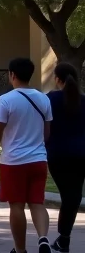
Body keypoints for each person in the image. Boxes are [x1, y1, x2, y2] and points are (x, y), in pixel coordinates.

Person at [0, 57, 54, 253]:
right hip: (38, 159)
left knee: (16, 206)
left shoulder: (6, 100)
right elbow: (47, 133)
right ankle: (43, 239)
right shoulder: (44, 98)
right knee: (37, 202)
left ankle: (20, 249)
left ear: (12, 74)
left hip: (14, 161)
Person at [48, 62, 85, 252]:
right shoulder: (83, 100)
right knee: (74, 195)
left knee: (68, 196)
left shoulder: (50, 99)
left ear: (57, 79)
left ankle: (64, 238)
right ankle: (64, 237)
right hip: (81, 154)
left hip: (57, 154)